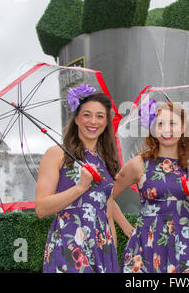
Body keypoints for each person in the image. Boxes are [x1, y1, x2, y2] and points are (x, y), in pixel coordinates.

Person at [35, 85, 132, 273]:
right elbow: (41, 208)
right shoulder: (56, 154)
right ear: (77, 119)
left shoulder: (106, 160)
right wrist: (80, 187)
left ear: (106, 122)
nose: (93, 121)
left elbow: (108, 210)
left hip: (103, 246)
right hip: (69, 243)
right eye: (87, 114)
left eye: (100, 116)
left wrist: (112, 252)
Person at [112, 101, 189, 273]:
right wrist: (127, 228)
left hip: (187, 250)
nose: (167, 130)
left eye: (172, 123)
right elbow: (105, 196)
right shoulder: (139, 164)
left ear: (183, 128)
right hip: (146, 249)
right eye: (160, 123)